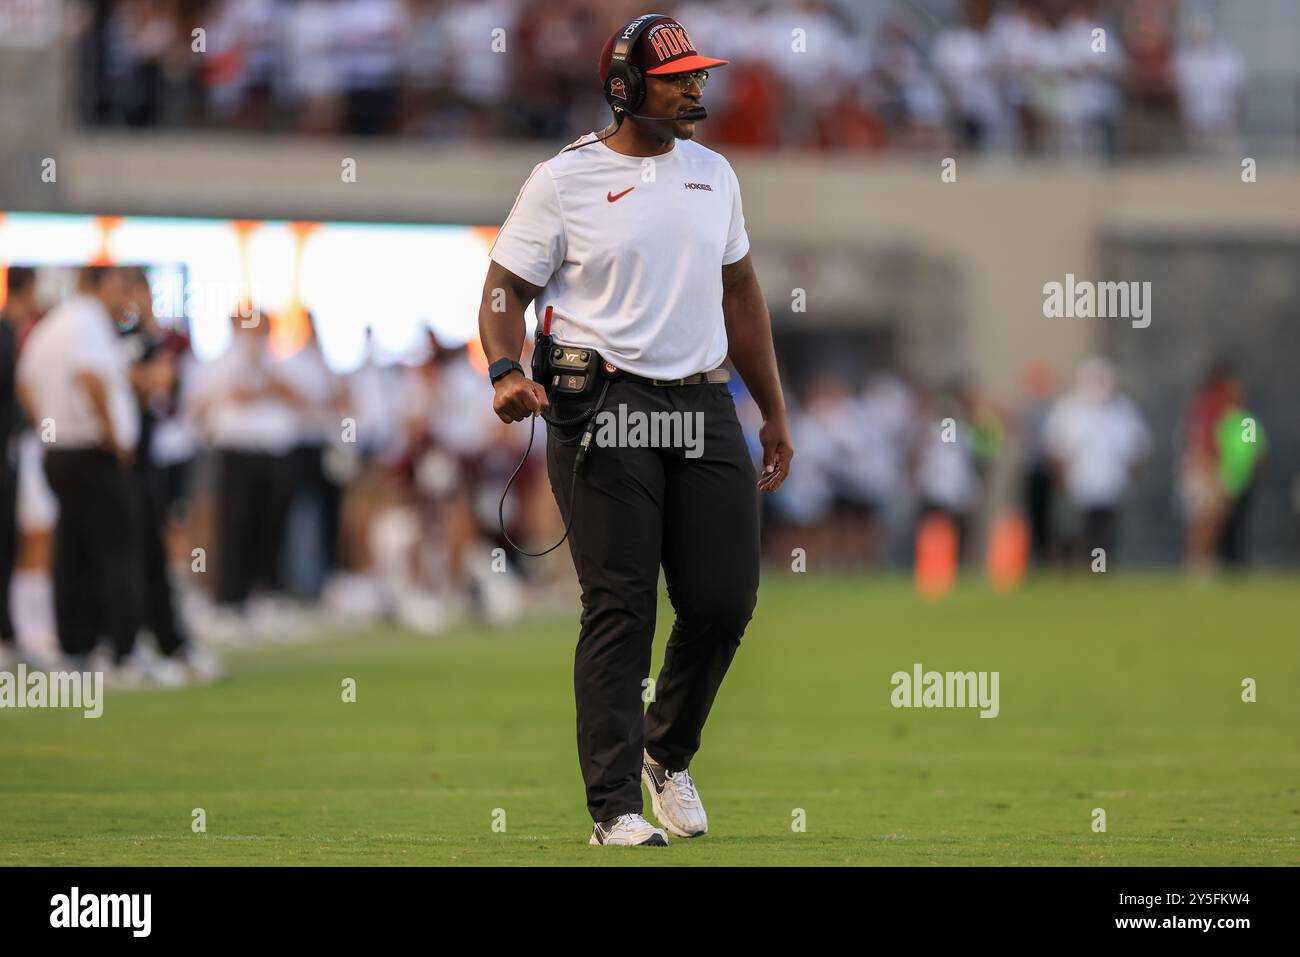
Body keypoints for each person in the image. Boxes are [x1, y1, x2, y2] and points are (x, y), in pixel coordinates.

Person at [478, 13, 792, 847]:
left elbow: (742, 294)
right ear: (625, 86)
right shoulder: (565, 178)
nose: (696, 86)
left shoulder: (714, 173)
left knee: (725, 599)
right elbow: (505, 285)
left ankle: (668, 751)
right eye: (677, 75)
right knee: (619, 603)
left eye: (698, 73)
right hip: (606, 403)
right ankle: (611, 805)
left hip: (703, 399)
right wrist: (506, 370)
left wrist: (772, 407)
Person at [15, 267, 143, 675]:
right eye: (121, 287)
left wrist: (48, 426)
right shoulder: (87, 322)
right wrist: (111, 435)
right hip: (91, 452)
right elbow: (89, 376)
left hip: (60, 453)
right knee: (116, 550)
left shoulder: (53, 325)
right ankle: (123, 651)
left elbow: (24, 382)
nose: (125, 299)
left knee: (72, 550)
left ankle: (75, 647)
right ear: (103, 285)